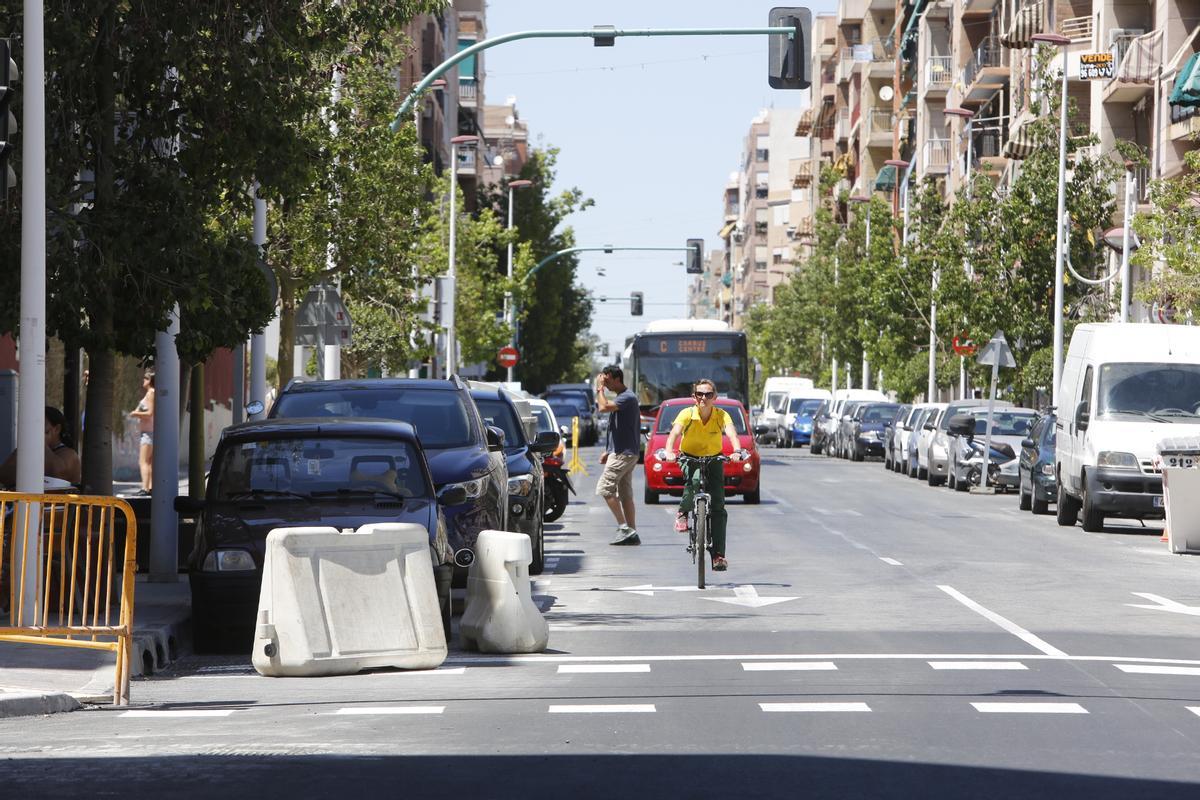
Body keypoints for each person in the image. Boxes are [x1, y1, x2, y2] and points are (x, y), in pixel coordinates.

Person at [661, 379, 746, 572]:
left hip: (714, 458)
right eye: (699, 394)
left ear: (715, 397)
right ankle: (683, 511)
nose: (703, 398)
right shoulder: (687, 414)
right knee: (695, 479)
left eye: (708, 395)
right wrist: (669, 452)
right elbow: (674, 433)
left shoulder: (721, 415)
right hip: (689, 457)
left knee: (718, 505)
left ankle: (718, 555)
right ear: (694, 397)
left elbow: (732, 434)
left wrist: (737, 451)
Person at [595, 364, 641, 545]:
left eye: (607, 381)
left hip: (624, 453)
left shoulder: (627, 398)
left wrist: (599, 389)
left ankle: (624, 527)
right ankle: (632, 532)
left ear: (616, 379)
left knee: (605, 488)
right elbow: (617, 428)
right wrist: (608, 450)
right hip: (623, 452)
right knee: (625, 493)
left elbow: (603, 407)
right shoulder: (624, 398)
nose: (605, 385)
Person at [0, 406, 83, 488]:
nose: (35, 430)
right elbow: (3, 475)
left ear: (57, 429)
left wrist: (40, 442)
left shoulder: (69, 454)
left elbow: (56, 474)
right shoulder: (29, 450)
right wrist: (23, 448)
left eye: (40, 425)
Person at [128, 370, 155, 495]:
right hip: (151, 432)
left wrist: (135, 413)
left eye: (145, 378)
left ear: (150, 380)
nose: (143, 380)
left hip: (148, 432)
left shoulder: (150, 393)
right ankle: (149, 487)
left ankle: (145, 488)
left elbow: (149, 413)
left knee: (143, 461)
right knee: (149, 461)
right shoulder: (153, 393)